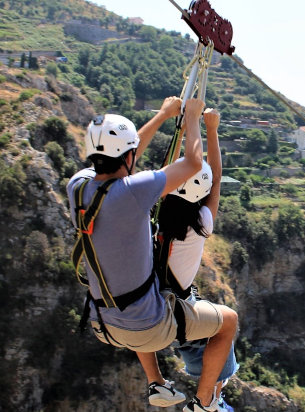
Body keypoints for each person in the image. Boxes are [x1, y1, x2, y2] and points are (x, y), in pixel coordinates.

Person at [67, 97, 238, 412]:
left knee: (140, 291)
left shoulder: (78, 186)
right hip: (149, 327)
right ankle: (203, 402)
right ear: (129, 154)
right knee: (228, 321)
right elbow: (194, 165)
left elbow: (123, 161)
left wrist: (161, 115)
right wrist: (193, 120)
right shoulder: (134, 194)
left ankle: (157, 382)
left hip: (102, 321)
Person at [153, 107, 238, 411]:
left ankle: (210, 395)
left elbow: (164, 173)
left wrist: (184, 127)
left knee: (203, 346)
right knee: (222, 339)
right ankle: (208, 401)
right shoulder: (201, 221)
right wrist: (210, 129)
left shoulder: (155, 211)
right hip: (179, 306)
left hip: (156, 298)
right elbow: (214, 181)